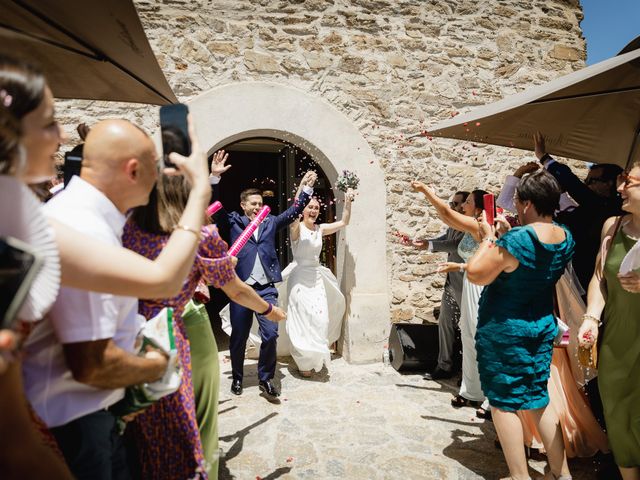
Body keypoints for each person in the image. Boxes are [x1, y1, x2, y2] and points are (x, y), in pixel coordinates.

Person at [0, 55, 211, 478]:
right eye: (47, 123)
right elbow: (161, 281)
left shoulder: (29, 211)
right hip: (65, 426)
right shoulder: (67, 223)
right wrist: (199, 192)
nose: (61, 136)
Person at [123, 171, 285, 480]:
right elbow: (235, 289)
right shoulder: (203, 236)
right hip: (176, 334)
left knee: (148, 421)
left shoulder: (129, 229)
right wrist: (269, 309)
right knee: (197, 415)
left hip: (130, 334)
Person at [467, 170, 575, 480]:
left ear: (526, 203)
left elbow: (477, 273)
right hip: (539, 327)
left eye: (516, 201)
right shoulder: (566, 237)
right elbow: (525, 263)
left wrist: (489, 238)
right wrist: (507, 236)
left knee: (504, 403)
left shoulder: (516, 240)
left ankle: (519, 476)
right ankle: (561, 473)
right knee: (537, 398)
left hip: (504, 331)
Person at [211, 153, 315, 398]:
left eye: (260, 203)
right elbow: (214, 208)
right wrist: (214, 177)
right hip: (240, 289)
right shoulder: (233, 221)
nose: (257, 207)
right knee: (238, 337)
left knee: (271, 334)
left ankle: (266, 379)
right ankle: (237, 377)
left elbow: (293, 212)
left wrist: (307, 189)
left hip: (266, 288)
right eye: (253, 204)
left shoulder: (269, 222)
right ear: (243, 205)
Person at [578, 162, 640, 479]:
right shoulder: (612, 227)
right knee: (618, 418)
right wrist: (591, 316)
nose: (619, 187)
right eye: (619, 179)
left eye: (627, 180)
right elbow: (600, 277)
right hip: (617, 343)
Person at [410, 183, 488, 414]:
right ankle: (470, 390)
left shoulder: (479, 227)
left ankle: (489, 396)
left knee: (478, 339)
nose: (463, 205)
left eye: (468, 202)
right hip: (467, 284)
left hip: (478, 288)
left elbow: (445, 214)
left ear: (478, 208)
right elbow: (448, 226)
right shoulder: (471, 225)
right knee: (467, 335)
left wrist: (426, 191)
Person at [534, 133, 623, 291]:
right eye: (586, 181)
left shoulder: (608, 206)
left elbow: (573, 184)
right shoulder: (595, 206)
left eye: (591, 181)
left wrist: (544, 158)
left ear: (609, 184)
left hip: (594, 279)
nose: (587, 185)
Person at [279, 189, 354, 376]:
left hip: (316, 277)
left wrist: (348, 200)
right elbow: (294, 213)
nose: (313, 210)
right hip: (298, 278)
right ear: (303, 210)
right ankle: (304, 363)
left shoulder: (320, 229)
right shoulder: (296, 227)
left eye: (316, 208)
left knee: (320, 318)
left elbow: (344, 222)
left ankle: (314, 356)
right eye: (309, 207)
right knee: (301, 320)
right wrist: (303, 187)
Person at [401, 191, 469, 380]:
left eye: (456, 204)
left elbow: (454, 245)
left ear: (465, 206)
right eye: (452, 203)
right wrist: (420, 243)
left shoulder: (469, 227)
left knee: (467, 329)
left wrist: (428, 246)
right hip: (451, 284)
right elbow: (443, 239)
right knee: (445, 324)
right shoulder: (453, 226)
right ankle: (444, 365)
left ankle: (467, 371)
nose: (453, 207)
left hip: (465, 284)